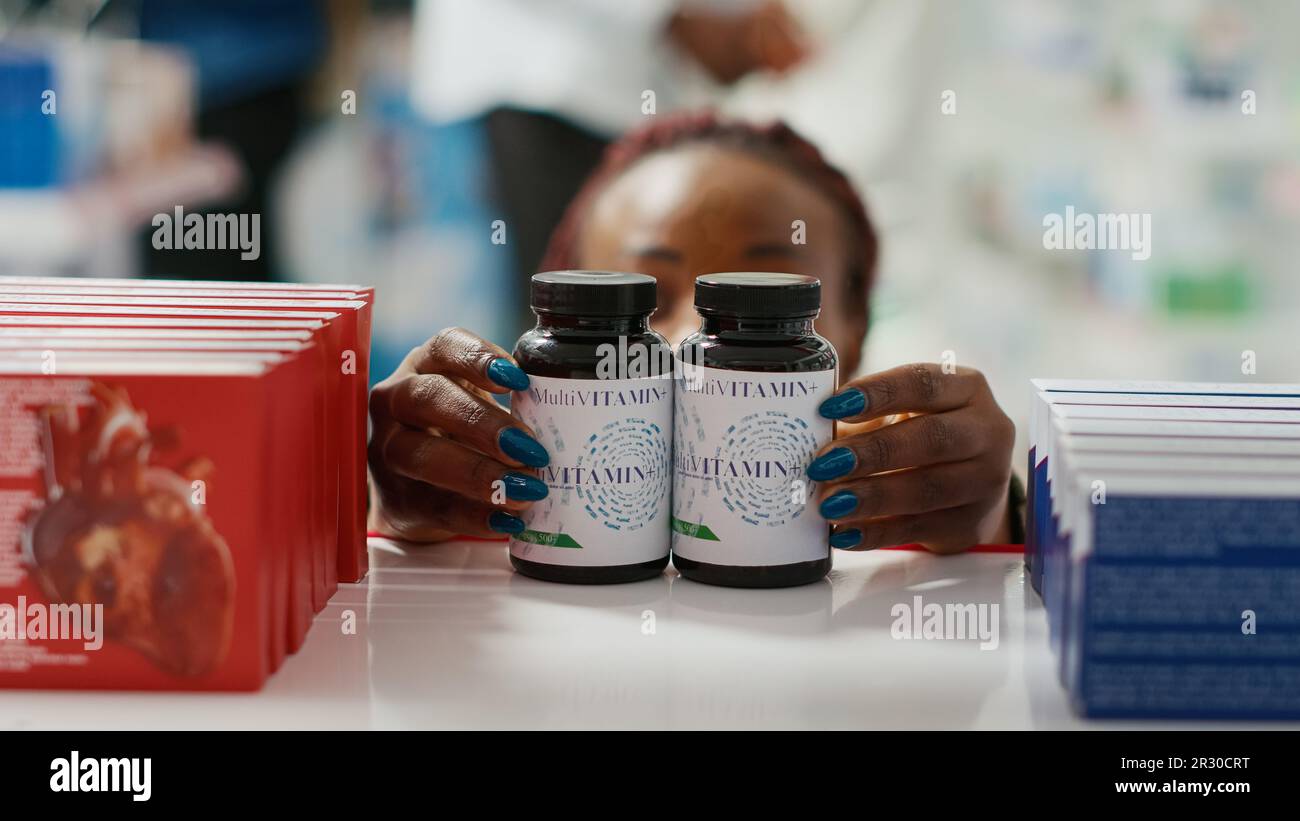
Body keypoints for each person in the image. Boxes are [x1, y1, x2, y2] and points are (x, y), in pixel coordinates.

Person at [367, 112, 1019, 555]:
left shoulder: (900, 509)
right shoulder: (513, 503)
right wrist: (396, 515)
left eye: (758, 296)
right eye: (642, 300)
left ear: (856, 322)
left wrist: (990, 520)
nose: (688, 341)